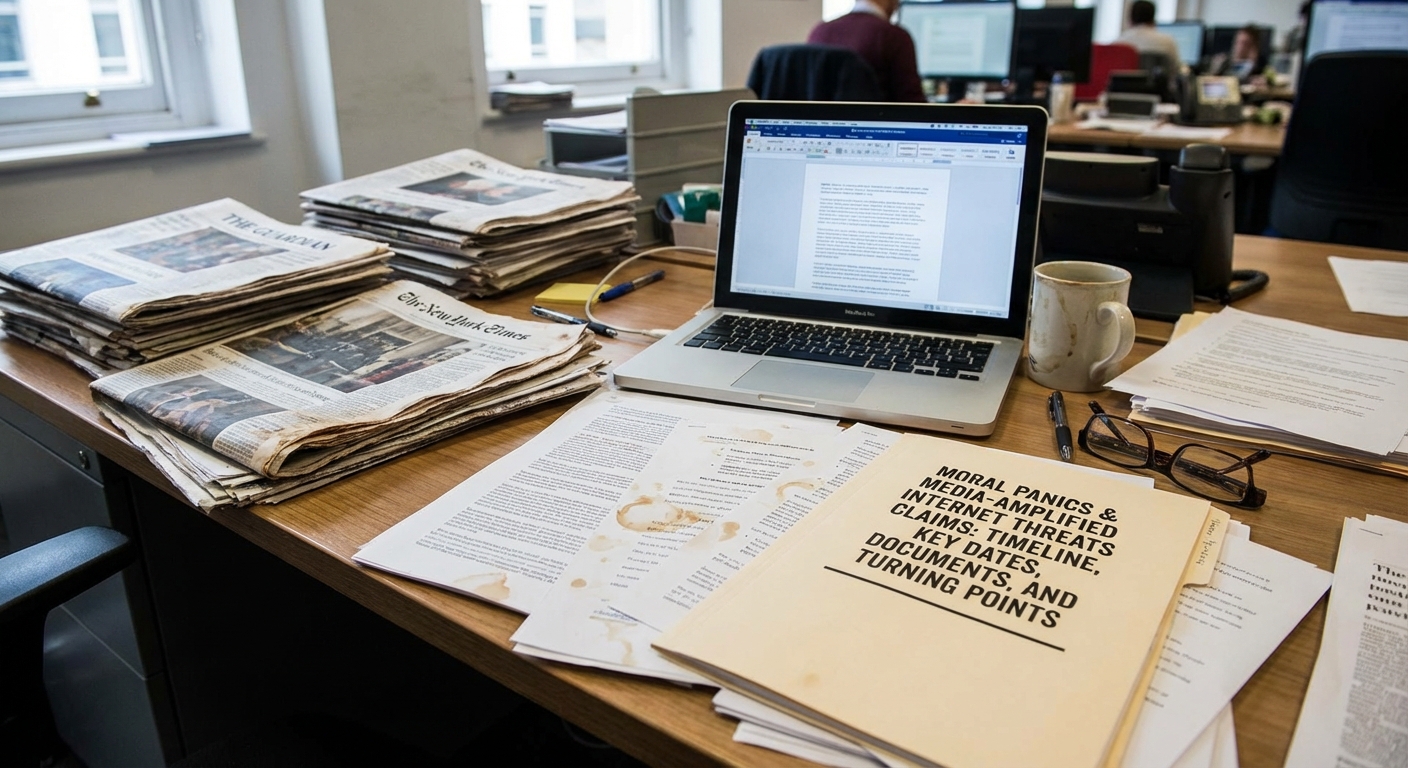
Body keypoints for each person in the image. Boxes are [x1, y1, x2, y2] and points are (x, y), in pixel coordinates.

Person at [806, 0, 926, 103]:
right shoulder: (893, 36)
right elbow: (913, 104)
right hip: (873, 127)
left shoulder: (819, 31)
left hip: (822, 127)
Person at [1114, 0, 1181, 62]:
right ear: (1153, 19)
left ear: (1130, 20)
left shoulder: (1119, 42)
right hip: (1155, 75)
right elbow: (1175, 69)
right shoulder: (1167, 42)